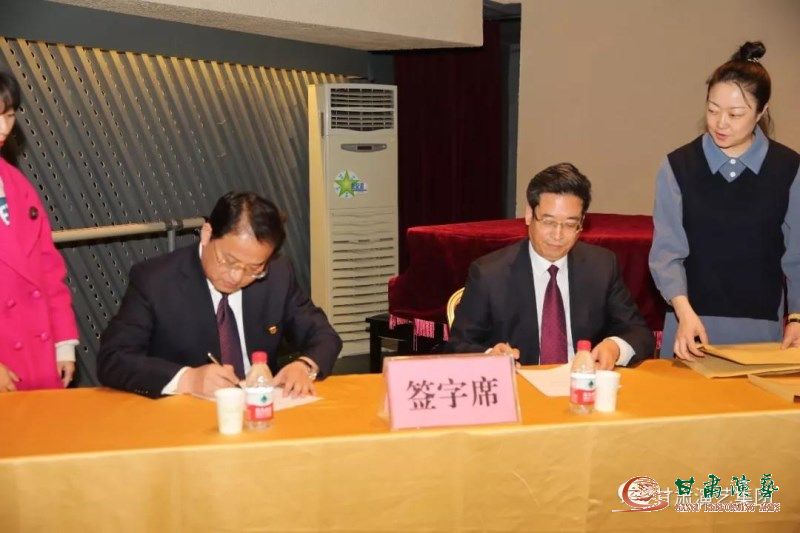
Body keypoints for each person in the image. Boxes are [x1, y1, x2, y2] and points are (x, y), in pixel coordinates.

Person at [97, 191, 342, 398]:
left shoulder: (278, 274)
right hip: (184, 416)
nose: (236, 276)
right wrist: (188, 379)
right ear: (206, 234)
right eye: (228, 261)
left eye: (254, 269)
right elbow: (113, 358)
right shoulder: (156, 280)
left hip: (260, 410)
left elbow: (324, 335)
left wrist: (304, 366)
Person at [649, 41, 800, 360]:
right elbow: (666, 253)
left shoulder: (788, 169)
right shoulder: (678, 166)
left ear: (761, 111)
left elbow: (797, 255)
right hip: (690, 324)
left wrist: (797, 317)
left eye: (735, 114)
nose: (720, 123)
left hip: (761, 329)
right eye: (712, 110)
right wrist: (683, 311)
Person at [447, 163, 654, 368]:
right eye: (548, 222)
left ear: (582, 222)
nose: (557, 235)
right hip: (522, 382)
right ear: (530, 215)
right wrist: (491, 357)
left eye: (570, 224)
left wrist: (615, 347)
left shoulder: (601, 266)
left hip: (583, 381)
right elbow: (457, 346)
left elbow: (639, 333)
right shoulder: (490, 273)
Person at [0, 70, 79, 392]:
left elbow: (48, 270)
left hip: (38, 356)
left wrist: (63, 343)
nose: (4, 128)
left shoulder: (17, 184)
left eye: (8, 116)